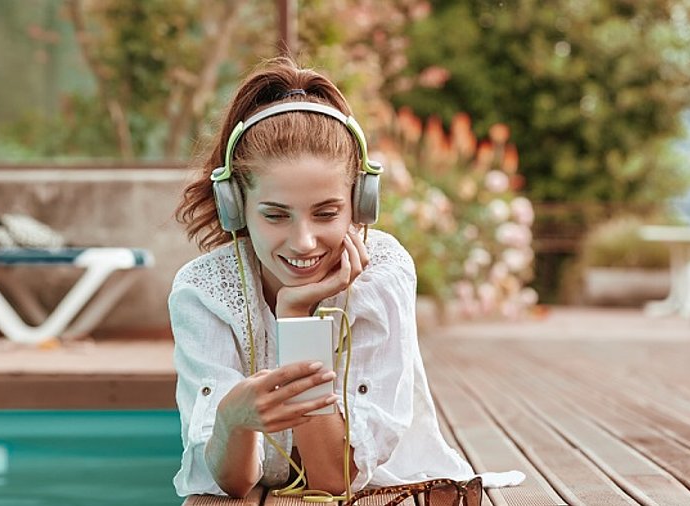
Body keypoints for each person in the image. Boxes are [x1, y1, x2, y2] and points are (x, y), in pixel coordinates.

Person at [170, 57, 524, 498]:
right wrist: (231, 420)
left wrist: (297, 317)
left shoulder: (383, 273)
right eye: (275, 215)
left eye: (326, 213)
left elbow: (334, 478)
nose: (303, 242)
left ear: (360, 203)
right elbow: (234, 483)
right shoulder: (203, 291)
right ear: (235, 205)